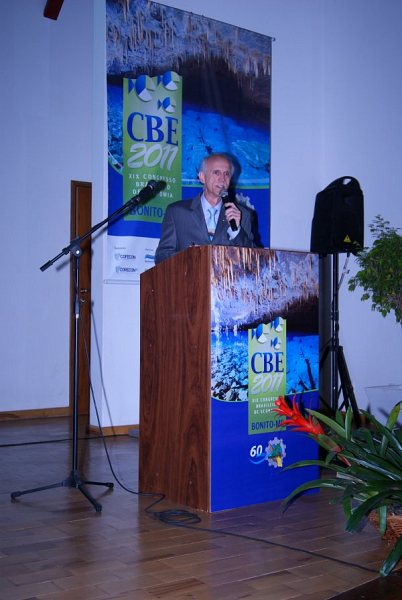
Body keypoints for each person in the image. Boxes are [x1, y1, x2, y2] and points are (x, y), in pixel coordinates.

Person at [154, 152, 255, 264]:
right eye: (216, 173)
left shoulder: (242, 215)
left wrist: (236, 231)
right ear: (202, 177)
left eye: (226, 174)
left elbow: (253, 261)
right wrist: (188, 257)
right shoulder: (176, 212)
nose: (222, 179)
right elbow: (161, 257)